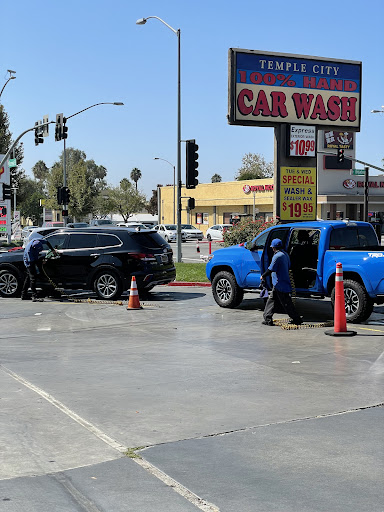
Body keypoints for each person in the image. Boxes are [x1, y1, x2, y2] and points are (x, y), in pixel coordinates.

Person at [261, 238, 302, 326]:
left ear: (274, 247)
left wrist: (263, 275)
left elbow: (270, 269)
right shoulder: (285, 254)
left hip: (279, 283)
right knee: (272, 300)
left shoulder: (277, 256)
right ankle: (268, 318)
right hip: (281, 282)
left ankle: (296, 319)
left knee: (286, 303)